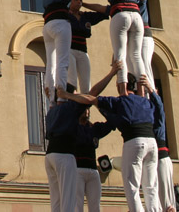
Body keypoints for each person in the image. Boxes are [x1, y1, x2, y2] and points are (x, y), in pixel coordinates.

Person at [60, 73, 159, 212]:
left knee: (132, 186)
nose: (87, 112)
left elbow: (93, 100)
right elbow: (157, 110)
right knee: (151, 186)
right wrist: (151, 90)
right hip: (152, 143)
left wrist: (68, 95)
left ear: (121, 85)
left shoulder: (116, 106)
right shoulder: (143, 102)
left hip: (130, 144)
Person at [55, 0, 146, 96]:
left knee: (119, 54)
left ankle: (123, 91)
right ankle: (142, 91)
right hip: (136, 16)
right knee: (136, 55)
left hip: (121, 14)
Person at [44, 61, 119, 212]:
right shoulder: (70, 107)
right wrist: (111, 74)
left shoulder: (52, 109)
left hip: (50, 154)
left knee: (57, 202)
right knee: (69, 202)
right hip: (64, 155)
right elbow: (93, 93)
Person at [144, 77, 176, 212]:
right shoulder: (146, 120)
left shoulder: (157, 123)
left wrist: (152, 91)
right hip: (152, 161)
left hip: (161, 158)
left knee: (166, 201)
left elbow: (159, 108)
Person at [66, 0, 109, 93]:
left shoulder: (86, 16)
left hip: (83, 51)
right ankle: (72, 103)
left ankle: (85, 107)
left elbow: (105, 12)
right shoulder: (65, 15)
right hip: (69, 50)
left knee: (86, 83)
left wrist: (84, 4)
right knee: (71, 80)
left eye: (81, 0)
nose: (79, 2)